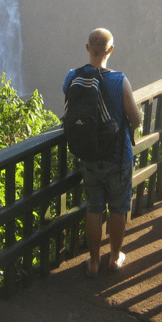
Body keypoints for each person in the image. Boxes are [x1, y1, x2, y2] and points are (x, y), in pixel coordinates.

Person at [63, 28, 142, 278]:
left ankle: (94, 261)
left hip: (88, 155)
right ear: (111, 50)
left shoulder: (71, 77)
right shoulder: (119, 80)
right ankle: (114, 258)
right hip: (118, 157)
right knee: (119, 208)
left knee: (94, 208)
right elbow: (136, 119)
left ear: (87, 48)